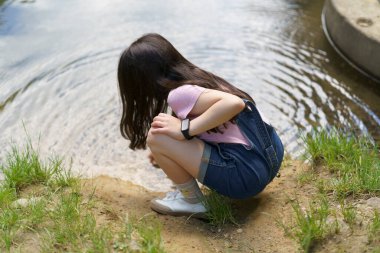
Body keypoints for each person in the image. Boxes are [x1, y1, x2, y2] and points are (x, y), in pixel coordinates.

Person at [117, 33, 284, 218]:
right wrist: (171, 149)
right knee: (168, 133)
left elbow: (235, 103)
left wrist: (184, 130)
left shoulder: (178, 94)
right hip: (271, 158)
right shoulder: (200, 79)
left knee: (157, 136)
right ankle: (194, 192)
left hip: (246, 179)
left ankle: (193, 202)